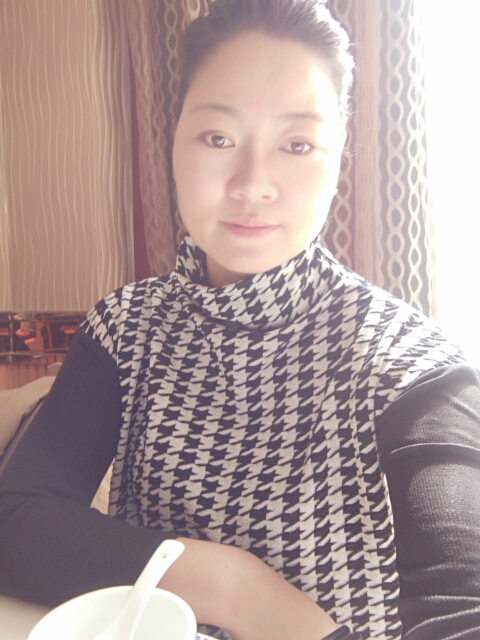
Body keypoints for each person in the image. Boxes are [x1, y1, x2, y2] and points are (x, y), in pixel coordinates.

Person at [1, 0, 480, 638]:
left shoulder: (411, 367)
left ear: (337, 160)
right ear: (173, 142)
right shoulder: (127, 328)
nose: (253, 184)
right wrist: (234, 586)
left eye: (297, 145)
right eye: (219, 138)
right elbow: (16, 521)